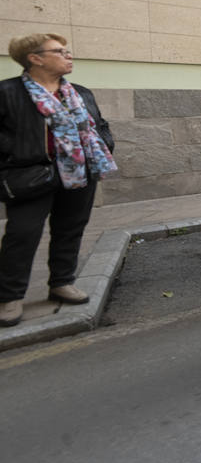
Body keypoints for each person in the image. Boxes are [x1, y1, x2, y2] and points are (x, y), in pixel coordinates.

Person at [0, 34, 116, 327]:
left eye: (66, 50)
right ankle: (9, 296)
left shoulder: (80, 92)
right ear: (35, 58)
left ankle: (62, 282)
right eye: (59, 51)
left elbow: (99, 125)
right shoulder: (9, 92)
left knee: (70, 229)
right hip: (31, 175)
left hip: (80, 172)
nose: (68, 55)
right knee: (22, 235)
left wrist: (105, 143)